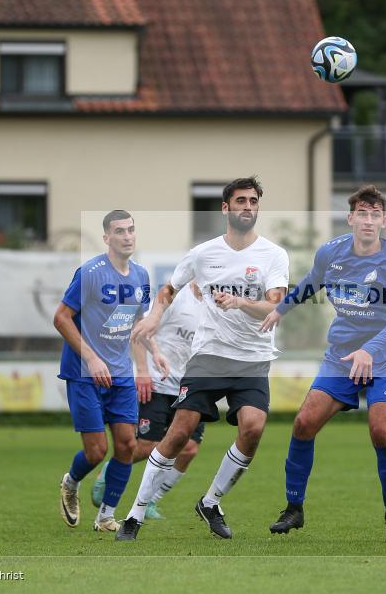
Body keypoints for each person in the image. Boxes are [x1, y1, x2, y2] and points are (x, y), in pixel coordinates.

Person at [117, 176, 289, 541]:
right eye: (240, 201)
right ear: (226, 208)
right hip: (208, 356)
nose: (247, 206)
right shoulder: (203, 253)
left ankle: (210, 502)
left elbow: (274, 305)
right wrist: (154, 315)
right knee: (180, 434)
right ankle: (134, 515)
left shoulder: (274, 255)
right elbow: (169, 288)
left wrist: (241, 302)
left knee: (253, 429)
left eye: (253, 201)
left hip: (252, 359)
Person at [262, 185, 386, 542]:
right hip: (341, 356)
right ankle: (294, 508)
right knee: (303, 423)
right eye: (362, 213)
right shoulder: (331, 252)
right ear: (350, 218)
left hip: (385, 358)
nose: (368, 220)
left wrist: (370, 351)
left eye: (375, 214)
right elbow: (312, 283)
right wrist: (279, 310)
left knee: (381, 431)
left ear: (384, 221)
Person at [54, 210, 155, 532]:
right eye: (119, 231)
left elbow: (136, 326)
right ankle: (71, 482)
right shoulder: (91, 272)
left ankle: (106, 516)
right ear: (107, 238)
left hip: (122, 375)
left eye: (131, 230)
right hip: (84, 373)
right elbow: (61, 318)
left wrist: (144, 367)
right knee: (97, 451)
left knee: (127, 445)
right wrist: (92, 358)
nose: (127, 236)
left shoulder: (141, 276)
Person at [91, 281, 204, 519]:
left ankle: (151, 500)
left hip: (192, 387)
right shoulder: (176, 298)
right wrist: (142, 371)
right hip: (158, 383)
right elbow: (139, 331)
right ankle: (108, 473)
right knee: (146, 446)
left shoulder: (220, 304)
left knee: (189, 449)